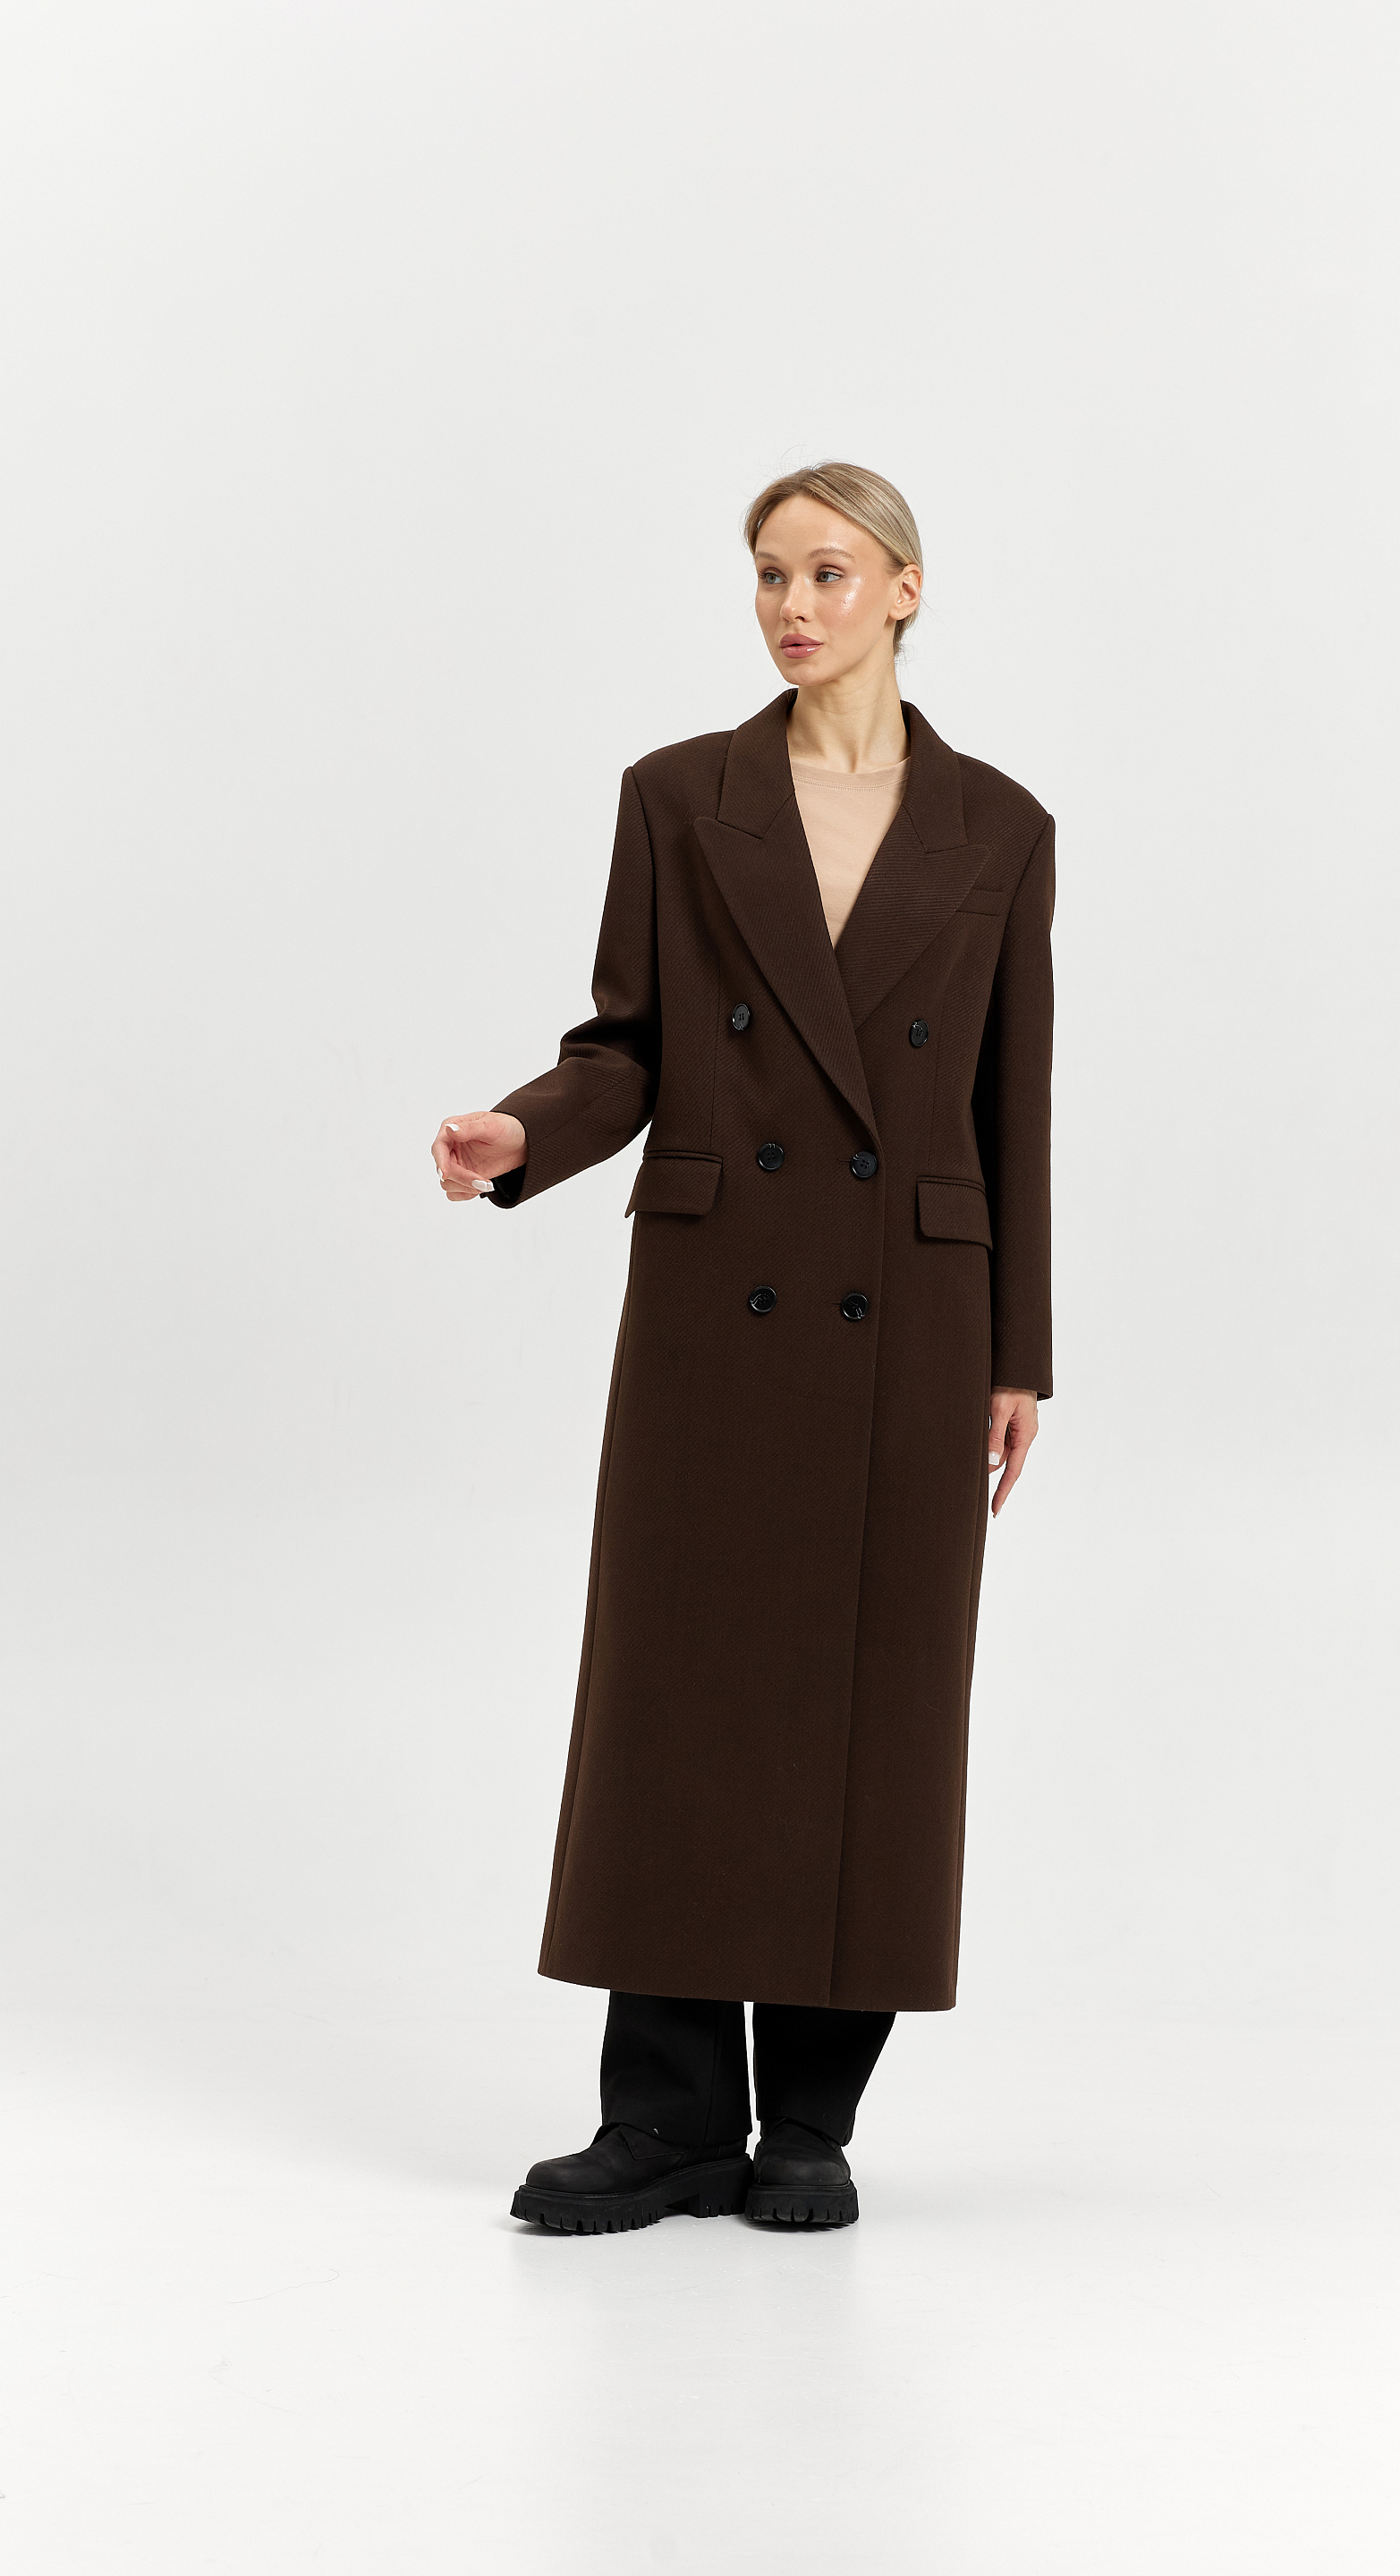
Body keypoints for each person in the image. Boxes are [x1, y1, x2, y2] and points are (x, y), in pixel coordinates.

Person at [431, 462, 1054, 2233]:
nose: (794, 605)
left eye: (830, 573)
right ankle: (667, 2119)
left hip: (909, 1316)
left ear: (907, 588)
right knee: (681, 1695)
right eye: (771, 575)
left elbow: (1012, 1102)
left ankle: (810, 2128)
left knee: (874, 1702)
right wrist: (526, 1132)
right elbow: (625, 1043)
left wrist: (1019, 1352)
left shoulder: (1001, 826)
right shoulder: (678, 797)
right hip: (720, 1303)